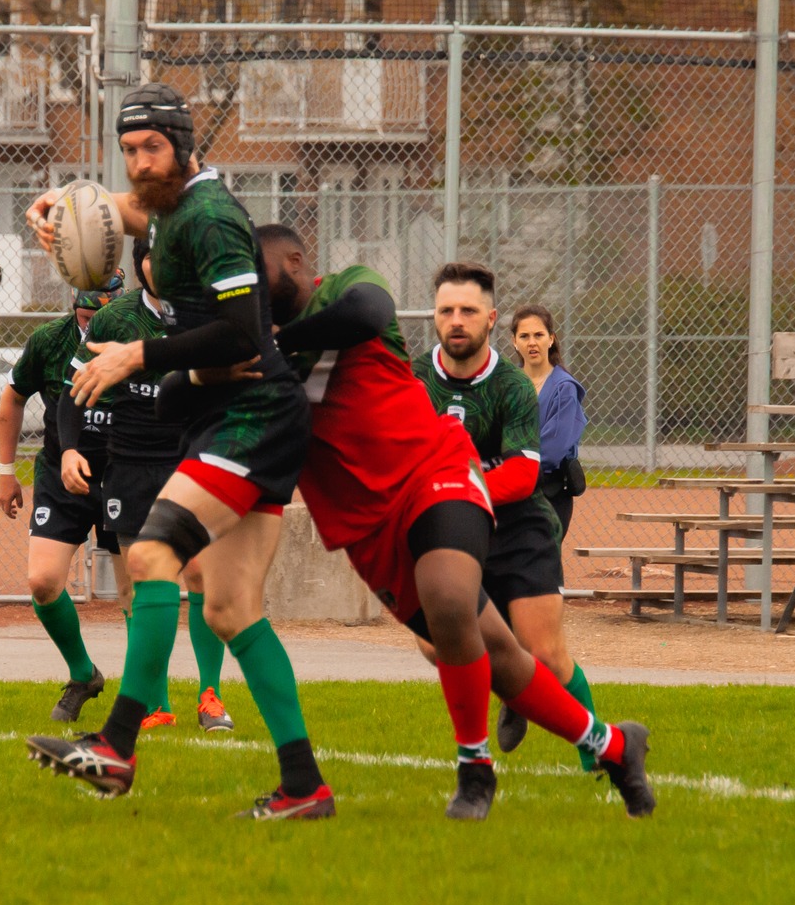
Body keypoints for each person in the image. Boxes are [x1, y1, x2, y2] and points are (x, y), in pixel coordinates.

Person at [248, 225, 652, 820]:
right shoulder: (250, 353)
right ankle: (614, 746)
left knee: (461, 608)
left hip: (440, 475)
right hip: (368, 527)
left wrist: (278, 350)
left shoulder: (346, 292)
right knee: (495, 653)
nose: (248, 283)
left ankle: (475, 768)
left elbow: (369, 310)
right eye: (446, 310)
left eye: (256, 268)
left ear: (295, 261)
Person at [23, 83, 331, 819]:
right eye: (128, 150)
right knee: (229, 608)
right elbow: (128, 213)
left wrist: (139, 354)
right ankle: (305, 786)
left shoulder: (212, 217)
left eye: (150, 147)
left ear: (184, 145)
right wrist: (64, 207)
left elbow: (243, 333)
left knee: (151, 554)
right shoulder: (169, 208)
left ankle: (118, 745)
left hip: (251, 416)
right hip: (226, 417)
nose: (138, 163)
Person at [414, 264, 604, 771]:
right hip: (450, 528)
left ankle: (599, 749)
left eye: (468, 311)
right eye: (446, 310)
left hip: (518, 527)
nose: (456, 320)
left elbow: (522, 474)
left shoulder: (511, 385)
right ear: (434, 316)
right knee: (436, 647)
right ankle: (513, 689)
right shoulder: (411, 378)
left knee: (544, 654)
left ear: (491, 319)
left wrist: (451, 489)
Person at [69, 241, 234, 733]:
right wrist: (73, 447)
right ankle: (155, 703)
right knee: (134, 586)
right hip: (131, 464)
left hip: (190, 460)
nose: (159, 264)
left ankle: (211, 696)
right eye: (150, 255)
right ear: (139, 263)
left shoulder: (208, 315)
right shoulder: (114, 319)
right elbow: (72, 390)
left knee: (201, 574)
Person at [0, 275, 122, 722]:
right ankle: (82, 674)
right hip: (59, 472)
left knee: (136, 593)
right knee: (43, 582)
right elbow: (12, 398)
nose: (91, 327)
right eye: (85, 317)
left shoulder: (134, 336)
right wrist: (6, 473)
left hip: (121, 474)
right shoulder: (50, 340)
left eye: (99, 318)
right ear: (74, 307)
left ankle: (151, 699)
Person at [510, 305, 586, 537]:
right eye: (524, 336)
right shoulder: (506, 384)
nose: (532, 342)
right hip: (509, 494)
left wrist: (511, 470)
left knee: (538, 566)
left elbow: (552, 450)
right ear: (514, 342)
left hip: (548, 493)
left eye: (538, 335)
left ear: (551, 339)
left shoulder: (564, 388)